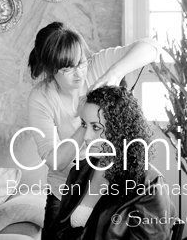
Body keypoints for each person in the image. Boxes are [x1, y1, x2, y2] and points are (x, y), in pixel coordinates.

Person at [25, 23, 166, 238]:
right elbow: (55, 161)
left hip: (109, 182)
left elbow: (152, 47)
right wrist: (87, 123)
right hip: (64, 189)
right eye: (67, 69)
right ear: (51, 69)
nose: (79, 74)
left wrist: (114, 73)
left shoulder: (96, 65)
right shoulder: (41, 98)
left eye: (80, 63)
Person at [52, 86, 175, 240]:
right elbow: (60, 229)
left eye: (96, 127)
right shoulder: (80, 170)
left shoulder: (149, 184)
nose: (87, 136)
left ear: (120, 130)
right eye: (84, 125)